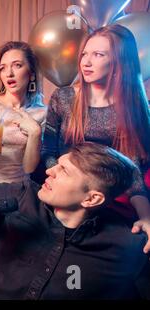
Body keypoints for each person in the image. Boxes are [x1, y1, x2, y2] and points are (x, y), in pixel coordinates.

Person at [0, 142, 150, 300]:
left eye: (64, 171)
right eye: (57, 165)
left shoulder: (125, 245)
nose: (49, 172)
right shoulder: (24, 195)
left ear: (92, 198)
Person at [41, 24, 150, 251]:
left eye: (98, 55)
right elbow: (48, 153)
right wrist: (66, 187)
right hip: (63, 189)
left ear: (118, 63)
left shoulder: (133, 107)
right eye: (85, 54)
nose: (86, 62)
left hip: (105, 197)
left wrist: (147, 217)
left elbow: (133, 172)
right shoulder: (63, 97)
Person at [0, 41, 46, 183]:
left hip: (20, 188)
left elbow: (29, 168)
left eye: (17, 65)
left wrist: (34, 133)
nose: (9, 74)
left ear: (31, 74)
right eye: (3, 68)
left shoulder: (41, 113)